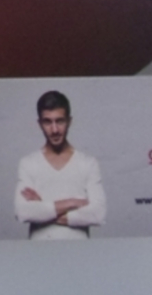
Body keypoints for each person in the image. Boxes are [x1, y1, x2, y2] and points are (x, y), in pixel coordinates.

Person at [13, 90, 106, 240]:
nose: (54, 130)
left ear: (69, 121)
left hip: (79, 253)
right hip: (39, 253)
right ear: (40, 124)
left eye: (60, 121)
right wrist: (72, 202)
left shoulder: (88, 163)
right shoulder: (28, 163)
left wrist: (42, 208)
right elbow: (23, 212)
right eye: (47, 122)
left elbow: (98, 214)